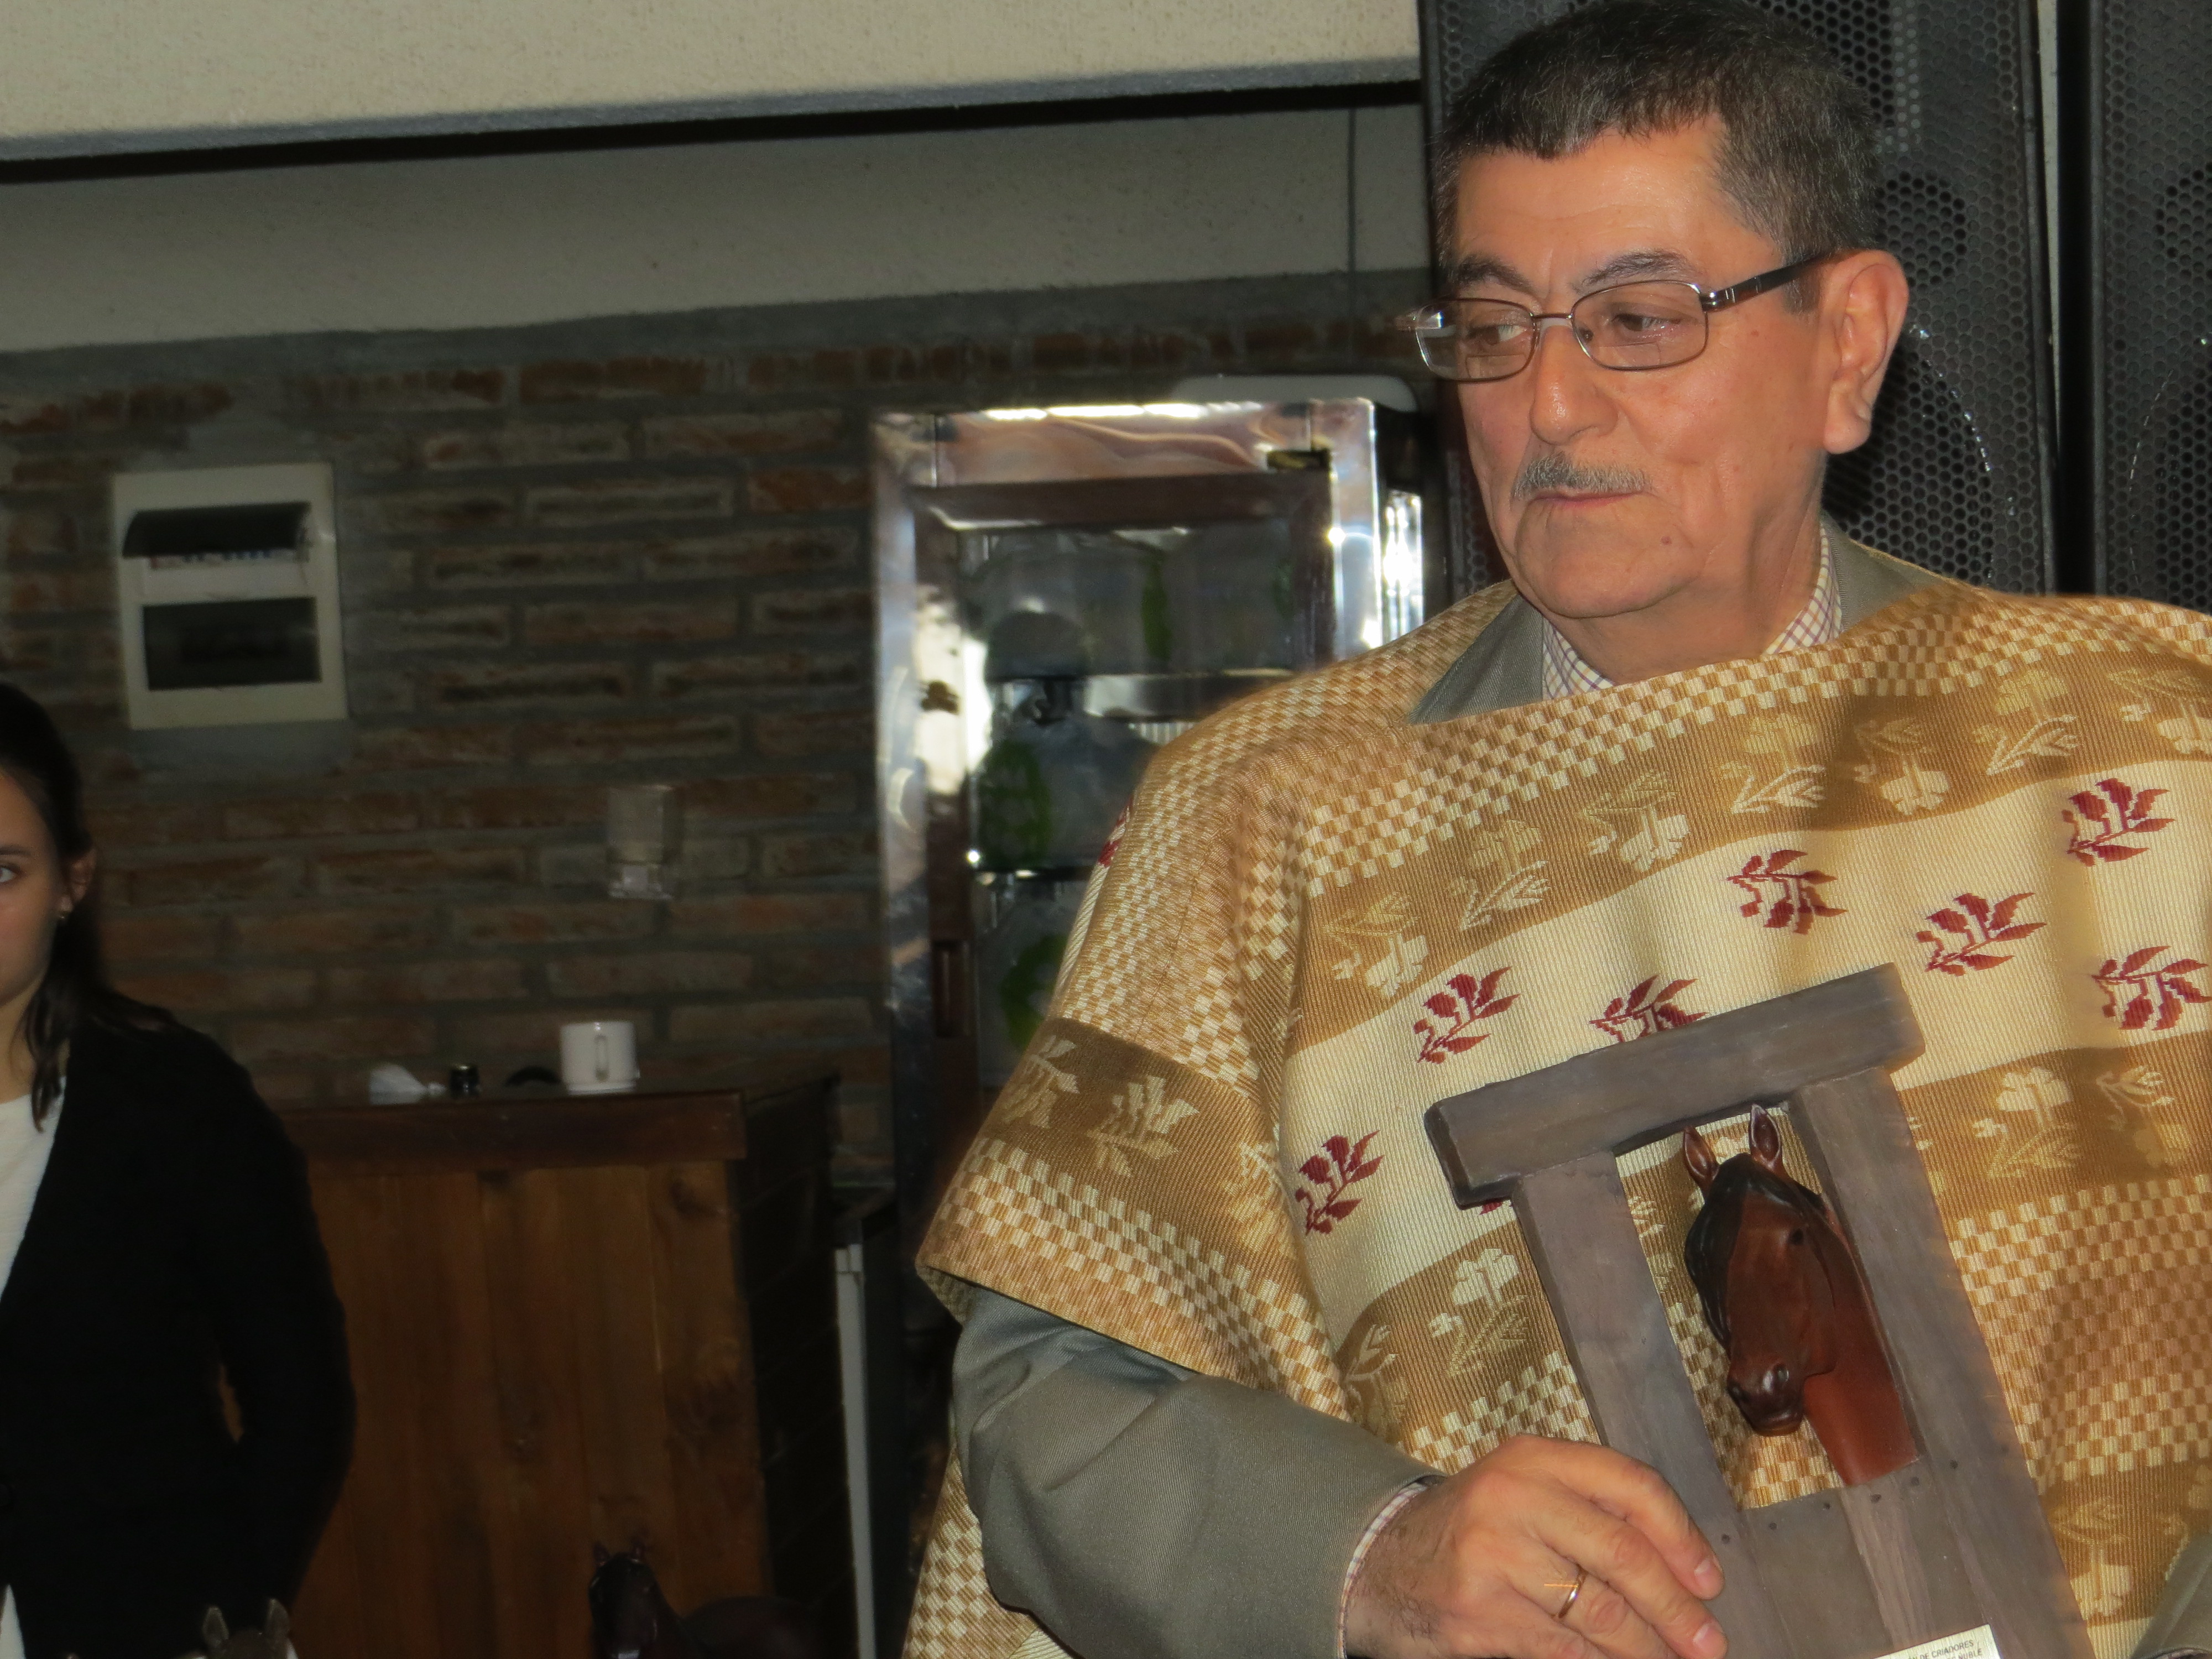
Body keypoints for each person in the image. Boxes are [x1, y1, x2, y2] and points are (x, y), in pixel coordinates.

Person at [905, 5, 2212, 1659]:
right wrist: (1375, 1553)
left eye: (1637, 320)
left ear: (1848, 343)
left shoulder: (2150, 752)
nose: (1553, 406)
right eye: (1491, 328)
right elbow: (1049, 1399)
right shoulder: (1267, 823)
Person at [0, 684, 353, 1658]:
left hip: (138, 1620)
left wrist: (232, 1610)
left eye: (0, 872)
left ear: (72, 881)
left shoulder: (174, 1102)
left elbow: (300, 1398)